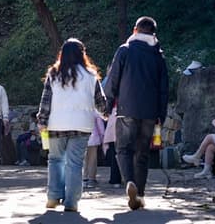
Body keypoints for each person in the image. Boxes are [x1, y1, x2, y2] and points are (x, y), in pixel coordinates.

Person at [103, 16, 169, 210]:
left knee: (123, 149)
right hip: (150, 112)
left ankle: (129, 181)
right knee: (142, 154)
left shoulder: (124, 50)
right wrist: (161, 114)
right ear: (153, 34)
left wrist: (107, 105)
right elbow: (164, 88)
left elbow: (113, 80)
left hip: (126, 110)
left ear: (135, 30)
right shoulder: (159, 55)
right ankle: (139, 194)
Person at [37, 38, 107, 213]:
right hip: (81, 126)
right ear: (82, 54)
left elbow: (46, 100)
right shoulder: (91, 76)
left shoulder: (53, 73)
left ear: (62, 54)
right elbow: (100, 101)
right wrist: (105, 114)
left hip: (56, 124)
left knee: (55, 160)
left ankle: (53, 196)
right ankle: (71, 202)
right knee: (75, 163)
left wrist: (42, 120)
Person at [83, 112, 105, 187]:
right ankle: (91, 179)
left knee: (82, 159)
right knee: (92, 160)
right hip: (93, 138)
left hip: (80, 138)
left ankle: (84, 178)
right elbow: (100, 125)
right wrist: (102, 136)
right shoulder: (94, 110)